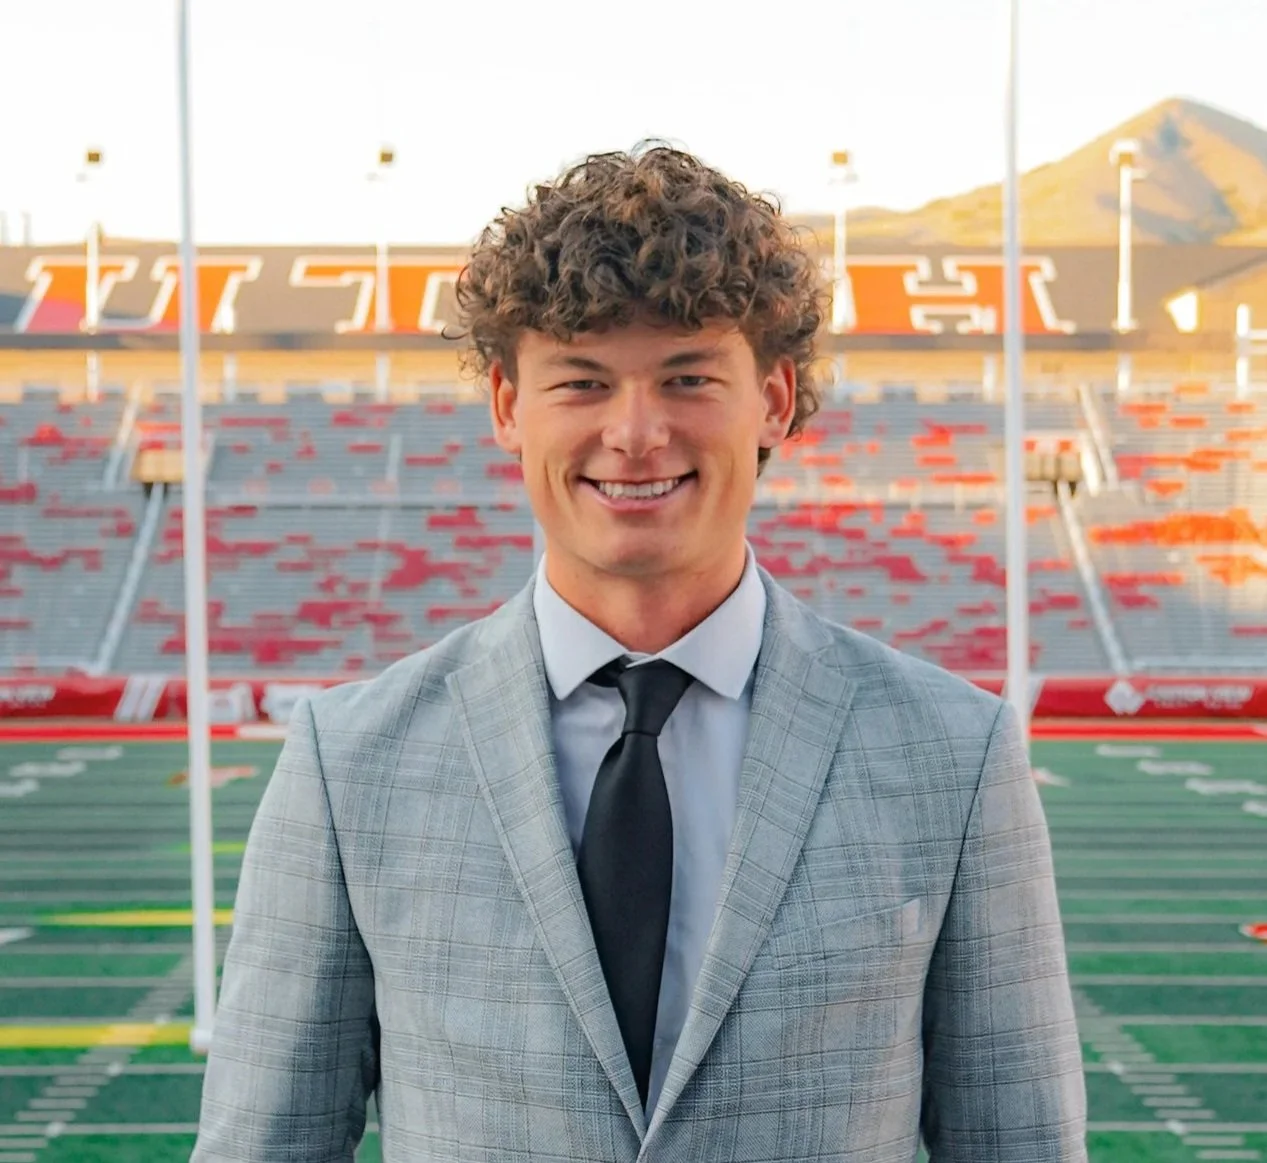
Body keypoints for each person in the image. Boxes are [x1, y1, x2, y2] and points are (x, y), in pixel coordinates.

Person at [192, 145, 1086, 1162]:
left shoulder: (951, 752)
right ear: (505, 405)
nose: (634, 431)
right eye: (580, 380)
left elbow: (1022, 1144)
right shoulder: (348, 759)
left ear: (775, 398)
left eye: (688, 375)